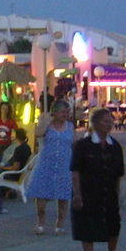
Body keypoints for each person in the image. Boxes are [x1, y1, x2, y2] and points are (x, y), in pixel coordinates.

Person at [70, 108, 125, 251]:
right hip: (88, 191)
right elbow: (75, 171)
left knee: (113, 226)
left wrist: (117, 195)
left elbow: (118, 174)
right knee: (87, 228)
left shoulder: (115, 146)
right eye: (105, 121)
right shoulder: (82, 145)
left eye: (111, 121)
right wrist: (77, 195)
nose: (109, 124)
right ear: (94, 123)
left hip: (108, 191)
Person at [27, 98, 75, 234]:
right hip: (46, 162)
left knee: (63, 194)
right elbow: (38, 134)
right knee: (41, 192)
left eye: (67, 112)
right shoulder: (47, 124)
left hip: (64, 163)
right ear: (54, 112)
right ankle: (40, 221)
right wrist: (45, 120)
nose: (65, 114)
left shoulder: (70, 126)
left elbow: (74, 143)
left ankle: (60, 221)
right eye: (62, 112)